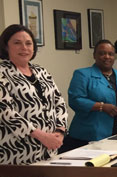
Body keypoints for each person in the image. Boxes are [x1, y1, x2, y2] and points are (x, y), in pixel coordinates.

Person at [0, 24, 67, 164]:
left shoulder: (41, 71)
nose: (24, 48)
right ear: (6, 46)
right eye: (17, 43)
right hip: (16, 152)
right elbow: (5, 111)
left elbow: (59, 102)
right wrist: (41, 136)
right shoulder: (2, 72)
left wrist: (60, 132)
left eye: (28, 43)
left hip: (50, 150)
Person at [65, 40, 117, 148]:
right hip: (90, 136)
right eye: (102, 53)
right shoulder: (82, 74)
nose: (107, 57)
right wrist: (101, 106)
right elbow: (75, 100)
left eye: (110, 54)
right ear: (94, 55)